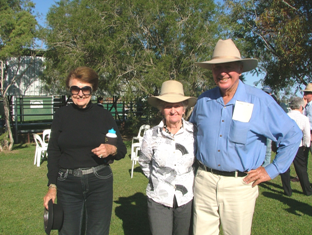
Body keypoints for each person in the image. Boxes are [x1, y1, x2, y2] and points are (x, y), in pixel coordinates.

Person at [190, 39, 302, 235]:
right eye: (217, 67)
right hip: (204, 181)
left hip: (240, 185)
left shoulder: (260, 101)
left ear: (240, 69)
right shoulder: (204, 101)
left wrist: (272, 169)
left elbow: (292, 135)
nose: (222, 72)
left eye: (228, 66)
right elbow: (190, 134)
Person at [43, 66, 127, 235]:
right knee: (67, 231)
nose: (80, 94)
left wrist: (111, 149)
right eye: (75, 89)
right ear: (70, 89)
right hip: (67, 183)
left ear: (92, 90)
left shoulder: (103, 115)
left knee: (98, 231)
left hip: (99, 181)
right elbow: (53, 151)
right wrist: (52, 186)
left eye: (85, 89)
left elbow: (122, 150)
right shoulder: (61, 115)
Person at [139, 80, 197, 235]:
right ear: (161, 109)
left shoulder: (194, 133)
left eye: (177, 105)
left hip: (186, 198)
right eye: (167, 106)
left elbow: (197, 162)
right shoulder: (151, 135)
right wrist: (159, 180)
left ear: (184, 109)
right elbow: (144, 162)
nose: (173, 110)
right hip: (159, 197)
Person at [280, 97, 312, 196]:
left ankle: (287, 190)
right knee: (301, 169)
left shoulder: (285, 116)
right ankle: (307, 190)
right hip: (298, 146)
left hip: (286, 145)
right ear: (301, 106)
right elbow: (306, 134)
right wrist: (306, 145)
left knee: (285, 168)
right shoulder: (304, 118)